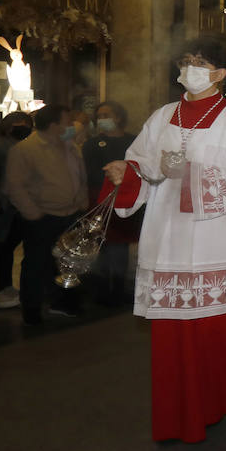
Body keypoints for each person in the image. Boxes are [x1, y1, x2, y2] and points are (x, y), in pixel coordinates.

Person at [101, 36, 226, 443]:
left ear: (220, 74)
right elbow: (141, 163)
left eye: (200, 62)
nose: (190, 67)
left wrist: (175, 169)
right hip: (168, 238)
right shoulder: (162, 117)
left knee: (219, 334)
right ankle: (181, 417)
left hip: (215, 242)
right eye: (187, 60)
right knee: (172, 337)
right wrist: (128, 172)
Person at [5, 103, 87, 326]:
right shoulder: (26, 149)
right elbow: (15, 185)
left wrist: (81, 202)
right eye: (67, 122)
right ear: (54, 125)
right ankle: (31, 309)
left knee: (68, 262)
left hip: (70, 214)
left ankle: (63, 302)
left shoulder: (70, 146)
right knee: (35, 263)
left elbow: (78, 177)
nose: (71, 126)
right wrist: (32, 213)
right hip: (42, 216)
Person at [82, 101, 138, 305]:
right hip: (99, 199)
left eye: (106, 115)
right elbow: (91, 173)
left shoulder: (133, 141)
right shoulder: (92, 144)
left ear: (119, 117)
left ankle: (118, 287)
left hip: (123, 200)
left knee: (120, 246)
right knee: (101, 245)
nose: (101, 119)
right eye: (99, 116)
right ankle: (102, 288)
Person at [0, 111, 32, 310]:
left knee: (8, 248)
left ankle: (5, 286)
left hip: (18, 206)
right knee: (1, 248)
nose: (23, 126)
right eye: (18, 123)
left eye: (25, 123)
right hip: (4, 205)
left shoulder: (26, 146)